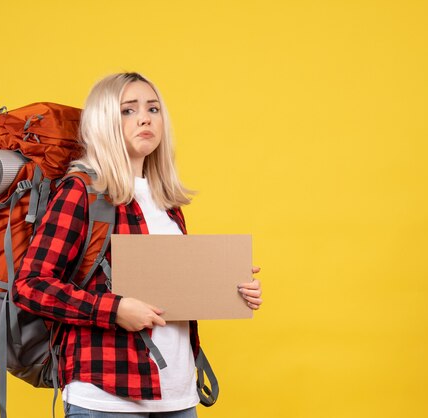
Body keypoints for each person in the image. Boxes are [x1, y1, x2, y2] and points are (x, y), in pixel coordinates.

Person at [13, 72, 263, 418]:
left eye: (153, 109)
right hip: (106, 394)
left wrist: (229, 286)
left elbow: (170, 290)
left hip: (177, 394)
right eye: (128, 110)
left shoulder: (167, 203)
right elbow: (30, 286)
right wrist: (113, 310)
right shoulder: (82, 191)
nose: (145, 117)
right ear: (103, 122)